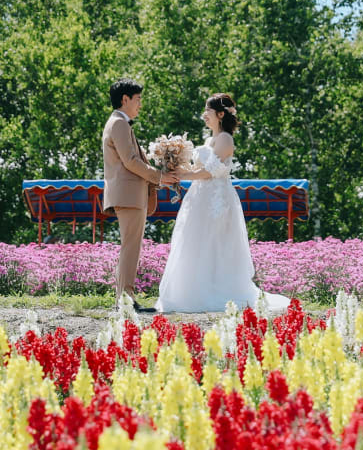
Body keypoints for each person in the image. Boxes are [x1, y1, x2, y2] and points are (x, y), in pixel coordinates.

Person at [154, 93, 290, 313]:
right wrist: (175, 168)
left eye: (207, 111)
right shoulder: (209, 140)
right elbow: (198, 170)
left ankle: (217, 291)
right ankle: (193, 291)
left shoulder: (225, 139)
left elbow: (210, 172)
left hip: (216, 200)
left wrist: (183, 176)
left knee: (215, 243)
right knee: (196, 242)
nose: (204, 115)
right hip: (200, 198)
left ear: (219, 114)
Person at [103, 77, 178, 312]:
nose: (140, 105)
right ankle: (125, 301)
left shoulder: (118, 123)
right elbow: (130, 161)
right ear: (125, 99)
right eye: (138, 100)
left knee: (131, 246)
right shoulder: (119, 124)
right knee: (130, 247)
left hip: (128, 194)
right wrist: (159, 176)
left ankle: (125, 299)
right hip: (128, 195)